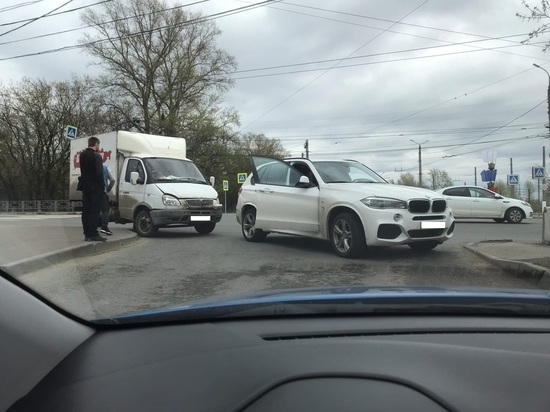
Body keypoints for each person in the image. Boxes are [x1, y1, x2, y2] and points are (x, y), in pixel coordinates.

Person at [79, 136, 106, 242]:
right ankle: (94, 233)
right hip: (95, 187)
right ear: (96, 144)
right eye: (98, 145)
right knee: (94, 211)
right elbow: (99, 173)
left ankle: (87, 233)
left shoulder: (82, 155)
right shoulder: (97, 156)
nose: (99, 147)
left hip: (85, 186)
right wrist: (102, 185)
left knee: (86, 210)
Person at [98, 164, 115, 236]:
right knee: (105, 210)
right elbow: (112, 180)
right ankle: (104, 227)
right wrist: (108, 189)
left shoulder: (90, 167)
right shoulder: (105, 168)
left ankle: (92, 227)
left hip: (92, 193)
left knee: (94, 210)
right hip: (102, 192)